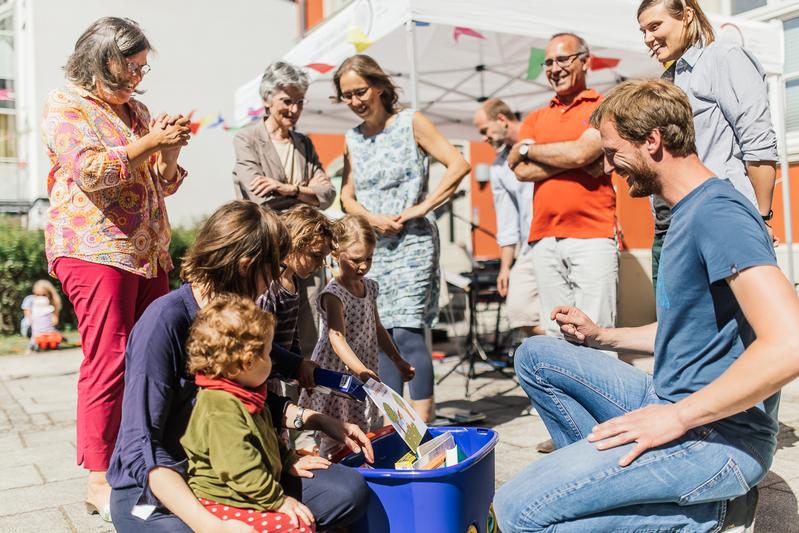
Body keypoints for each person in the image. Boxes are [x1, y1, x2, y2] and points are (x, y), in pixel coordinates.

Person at [494, 79, 799, 532]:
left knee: (519, 511)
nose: (609, 165)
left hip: (720, 436)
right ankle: (621, 489)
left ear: (652, 140)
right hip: (669, 398)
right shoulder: (684, 211)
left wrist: (677, 417)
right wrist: (601, 337)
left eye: (614, 150)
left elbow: (789, 345)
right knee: (536, 356)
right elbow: (688, 329)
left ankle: (707, 515)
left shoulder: (719, 213)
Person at [107, 201, 372, 532]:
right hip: (164, 486)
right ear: (246, 266)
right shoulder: (163, 323)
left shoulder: (235, 317)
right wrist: (211, 525)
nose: (273, 282)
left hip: (236, 469)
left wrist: (318, 423)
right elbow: (141, 448)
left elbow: (244, 403)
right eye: (272, 271)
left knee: (347, 491)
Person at [41, 17, 191, 518]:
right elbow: (92, 170)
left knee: (159, 353)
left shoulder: (136, 110)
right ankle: (98, 476)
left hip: (148, 250)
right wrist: (149, 145)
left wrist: (167, 153)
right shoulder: (66, 105)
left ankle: (149, 459)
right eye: (133, 66)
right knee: (109, 356)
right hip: (93, 247)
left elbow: (162, 183)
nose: (139, 79)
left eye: (144, 69)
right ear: (104, 58)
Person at [335, 54, 471, 422]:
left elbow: (459, 164)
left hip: (413, 243)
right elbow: (347, 197)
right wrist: (371, 218)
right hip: (374, 249)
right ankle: (399, 428)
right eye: (347, 96)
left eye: (360, 91)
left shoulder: (412, 122)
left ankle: (422, 425)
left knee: (409, 332)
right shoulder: (353, 138)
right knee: (384, 336)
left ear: (378, 87)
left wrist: (420, 208)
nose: (355, 101)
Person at [637, 0, 779, 287]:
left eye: (655, 26)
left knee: (734, 326)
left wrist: (761, 218)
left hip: (717, 220)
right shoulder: (669, 79)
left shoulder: (724, 58)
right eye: (643, 31)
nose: (648, 38)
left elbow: (759, 144)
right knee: (675, 328)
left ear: (687, 16)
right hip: (670, 226)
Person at [182, 295, 330, 533]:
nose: (271, 361)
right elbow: (239, 467)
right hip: (224, 498)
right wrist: (278, 500)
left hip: (246, 491)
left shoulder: (245, 392)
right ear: (249, 361)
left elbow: (267, 438)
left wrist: (288, 459)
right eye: (269, 353)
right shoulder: (220, 406)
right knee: (295, 526)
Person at [507, 33, 618, 341]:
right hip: (544, 239)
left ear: (585, 61)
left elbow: (581, 152)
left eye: (562, 60)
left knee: (597, 334)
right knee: (556, 335)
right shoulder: (536, 117)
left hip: (592, 235)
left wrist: (530, 149)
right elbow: (520, 171)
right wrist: (575, 156)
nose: (554, 68)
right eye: (549, 62)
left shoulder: (604, 106)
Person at [233, 61, 337, 359]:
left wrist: (287, 189)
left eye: (299, 102)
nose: (294, 109)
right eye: (287, 101)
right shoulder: (247, 139)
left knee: (308, 331)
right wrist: (307, 193)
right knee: (266, 330)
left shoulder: (303, 143)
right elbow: (258, 193)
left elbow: (328, 193)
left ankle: (304, 398)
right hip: (268, 248)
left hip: (307, 248)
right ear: (267, 99)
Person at [298, 214, 415, 458]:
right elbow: (336, 337)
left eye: (369, 259)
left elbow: (377, 327)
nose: (363, 266)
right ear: (336, 254)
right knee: (337, 431)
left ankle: (359, 468)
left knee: (362, 424)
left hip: (363, 365)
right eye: (355, 260)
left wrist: (397, 359)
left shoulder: (370, 287)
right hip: (339, 370)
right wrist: (359, 370)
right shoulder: (334, 293)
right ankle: (328, 471)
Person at [472, 98, 544, 338]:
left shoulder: (541, 140)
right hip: (529, 247)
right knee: (519, 310)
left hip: (560, 236)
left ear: (501, 120)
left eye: (484, 130)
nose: (483, 138)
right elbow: (507, 222)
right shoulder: (499, 167)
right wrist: (505, 268)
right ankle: (561, 350)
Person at [21, 279, 62, 345]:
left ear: (49, 294)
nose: (40, 297)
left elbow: (55, 321)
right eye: (37, 294)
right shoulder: (29, 300)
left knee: (54, 338)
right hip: (31, 328)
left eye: (44, 295)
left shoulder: (52, 303)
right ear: (33, 292)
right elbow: (29, 320)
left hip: (47, 328)